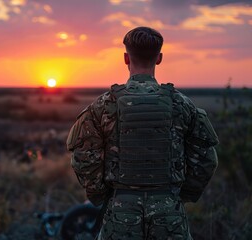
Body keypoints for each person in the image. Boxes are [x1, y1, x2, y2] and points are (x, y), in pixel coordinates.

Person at [66, 26, 219, 239]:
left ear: (126, 58)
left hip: (120, 212)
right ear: (159, 58)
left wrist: (100, 195)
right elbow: (206, 159)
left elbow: (83, 156)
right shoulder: (182, 104)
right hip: (169, 212)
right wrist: (181, 196)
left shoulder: (104, 105)